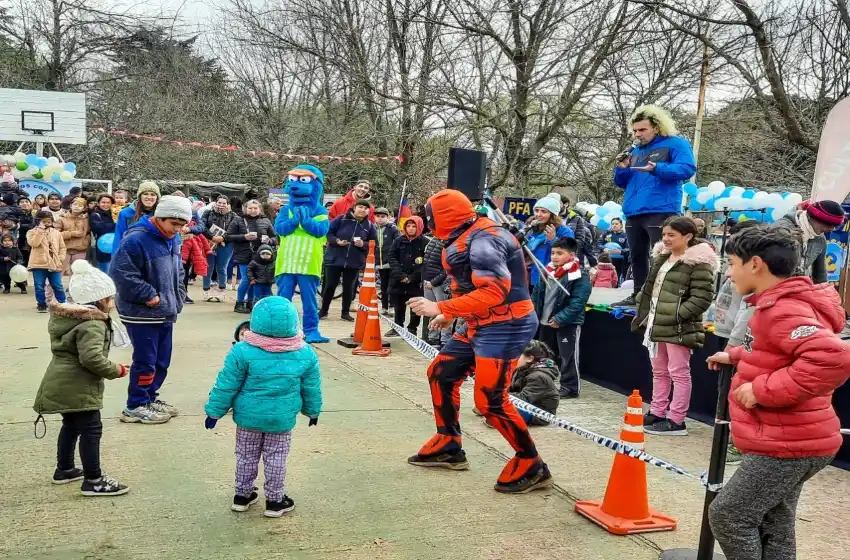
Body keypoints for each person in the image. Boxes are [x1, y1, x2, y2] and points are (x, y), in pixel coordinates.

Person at [706, 224, 850, 560]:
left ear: (755, 264)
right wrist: (738, 355)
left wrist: (762, 389)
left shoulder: (783, 308)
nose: (728, 272)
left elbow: (833, 356)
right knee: (775, 520)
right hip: (796, 439)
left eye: (731, 263)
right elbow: (777, 351)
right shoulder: (776, 304)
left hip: (789, 443)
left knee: (729, 515)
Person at [406, 189, 552, 494]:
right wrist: (453, 313)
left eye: (431, 215)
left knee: (491, 401)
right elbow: (470, 284)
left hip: (505, 325)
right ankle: (448, 442)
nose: (428, 222)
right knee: (441, 372)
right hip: (480, 322)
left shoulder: (485, 238)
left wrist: (441, 307)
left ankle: (531, 462)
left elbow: (494, 291)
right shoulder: (469, 234)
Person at [204, 296, 322, 517]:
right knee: (276, 458)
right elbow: (311, 388)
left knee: (245, 456)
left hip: (248, 419)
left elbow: (226, 385)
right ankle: (275, 501)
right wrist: (312, 411)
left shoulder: (242, 351)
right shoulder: (305, 353)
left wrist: (214, 412)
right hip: (281, 420)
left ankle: (242, 496)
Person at [32, 260, 130, 496]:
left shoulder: (71, 318)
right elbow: (92, 359)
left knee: (71, 426)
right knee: (91, 429)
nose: (112, 303)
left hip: (63, 381)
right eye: (110, 298)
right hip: (78, 385)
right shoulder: (92, 324)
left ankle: (64, 469)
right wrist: (116, 369)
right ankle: (94, 480)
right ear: (99, 299)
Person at [632, 216, 718, 436]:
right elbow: (650, 286)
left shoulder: (698, 262)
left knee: (679, 372)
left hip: (679, 326)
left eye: (672, 235)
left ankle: (677, 419)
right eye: (664, 235)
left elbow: (703, 297)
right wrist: (642, 303)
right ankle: (658, 410)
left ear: (688, 236)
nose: (666, 239)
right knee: (659, 370)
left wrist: (677, 315)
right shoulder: (662, 257)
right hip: (655, 322)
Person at [110, 195, 190, 424]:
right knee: (146, 360)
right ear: (160, 217)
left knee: (162, 360)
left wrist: (178, 295)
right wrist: (149, 295)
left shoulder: (173, 239)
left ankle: (149, 397)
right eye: (174, 224)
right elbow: (121, 274)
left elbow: (179, 271)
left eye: (182, 225)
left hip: (166, 309)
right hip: (141, 312)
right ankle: (135, 405)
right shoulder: (136, 239)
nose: (177, 230)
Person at [613, 106, 697, 307]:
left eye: (642, 130)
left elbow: (687, 168)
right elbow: (621, 182)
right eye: (635, 131)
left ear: (657, 128)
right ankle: (638, 295)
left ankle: (663, 298)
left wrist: (658, 168)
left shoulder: (676, 143)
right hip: (634, 210)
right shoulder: (634, 151)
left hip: (661, 208)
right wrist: (621, 168)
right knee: (637, 256)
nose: (637, 134)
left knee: (663, 255)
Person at [274, 164, 332, 343]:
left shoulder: (320, 211)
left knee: (309, 299)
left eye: (303, 180)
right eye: (292, 180)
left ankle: (311, 330)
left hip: (309, 262)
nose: (295, 185)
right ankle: (280, 329)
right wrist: (293, 221)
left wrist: (306, 221)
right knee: (283, 300)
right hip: (287, 261)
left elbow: (321, 230)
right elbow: (280, 229)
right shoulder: (286, 210)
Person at [532, 237, 592, 399]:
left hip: (567, 323)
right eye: (552, 253)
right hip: (545, 321)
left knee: (568, 356)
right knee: (545, 355)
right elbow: (537, 294)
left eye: (560, 253)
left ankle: (570, 386)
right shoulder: (548, 271)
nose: (554, 256)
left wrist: (560, 318)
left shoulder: (579, 275)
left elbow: (578, 301)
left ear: (571, 255)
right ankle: (543, 383)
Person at [320, 199, 377, 321]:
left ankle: (345, 312)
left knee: (349, 287)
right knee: (330, 286)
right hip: (334, 258)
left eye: (366, 208)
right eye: (360, 207)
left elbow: (374, 243)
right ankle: (323, 310)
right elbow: (329, 233)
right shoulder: (341, 219)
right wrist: (336, 241)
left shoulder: (370, 226)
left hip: (354, 261)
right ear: (354, 207)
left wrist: (363, 244)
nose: (363, 210)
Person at [775, 199, 845, 284]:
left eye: (834, 226)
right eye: (828, 224)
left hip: (800, 288)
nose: (831, 229)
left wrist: (824, 293)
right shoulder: (781, 231)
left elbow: (820, 274)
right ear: (811, 216)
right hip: (775, 287)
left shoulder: (820, 239)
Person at [228, 199, 275, 313]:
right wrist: (244, 237)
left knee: (256, 279)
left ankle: (251, 302)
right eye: (250, 208)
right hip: (243, 253)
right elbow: (228, 236)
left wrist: (268, 241)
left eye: (255, 208)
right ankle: (239, 303)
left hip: (260, 256)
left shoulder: (265, 220)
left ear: (260, 209)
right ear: (246, 209)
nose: (253, 210)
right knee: (247, 279)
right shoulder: (238, 219)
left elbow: (275, 238)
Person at [502, 340, 560, 426]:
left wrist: (498, 396)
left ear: (530, 358)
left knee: (499, 407)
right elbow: (511, 388)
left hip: (538, 414)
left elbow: (523, 399)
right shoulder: (521, 369)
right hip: (526, 405)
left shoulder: (539, 377)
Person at [386, 216, 426, 337]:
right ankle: (397, 327)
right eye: (408, 226)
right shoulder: (399, 241)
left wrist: (412, 277)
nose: (411, 229)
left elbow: (425, 263)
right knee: (398, 306)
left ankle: (412, 329)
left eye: (414, 226)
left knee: (416, 307)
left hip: (415, 282)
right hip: (398, 280)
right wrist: (400, 275)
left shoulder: (425, 242)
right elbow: (392, 257)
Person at [525, 194, 574, 286]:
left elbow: (569, 253)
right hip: (529, 274)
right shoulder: (530, 227)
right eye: (536, 210)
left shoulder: (564, 231)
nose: (538, 215)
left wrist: (553, 240)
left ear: (552, 215)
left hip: (551, 277)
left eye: (543, 211)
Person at [27, 210, 67, 312]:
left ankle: (62, 303)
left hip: (54, 263)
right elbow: (34, 243)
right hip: (39, 264)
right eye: (44, 221)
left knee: (57, 285)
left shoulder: (56, 233)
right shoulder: (31, 232)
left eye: (49, 221)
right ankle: (41, 304)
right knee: (39, 285)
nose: (47, 223)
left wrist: (61, 258)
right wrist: (40, 230)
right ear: (38, 221)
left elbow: (62, 247)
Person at [201, 195, 238, 302]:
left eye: (224, 203)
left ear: (228, 204)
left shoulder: (233, 215)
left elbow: (233, 230)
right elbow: (202, 226)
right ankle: (206, 290)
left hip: (226, 244)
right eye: (219, 203)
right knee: (208, 267)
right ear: (215, 203)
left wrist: (222, 238)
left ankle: (222, 290)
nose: (221, 205)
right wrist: (212, 237)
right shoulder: (208, 213)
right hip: (209, 242)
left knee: (222, 267)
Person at [112, 182, 160, 254]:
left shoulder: (162, 214)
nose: (149, 197)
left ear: (157, 197)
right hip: (132, 256)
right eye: (145, 194)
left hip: (156, 256)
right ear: (140, 196)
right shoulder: (126, 213)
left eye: (153, 194)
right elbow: (118, 238)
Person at [423, 234, 451, 347]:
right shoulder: (434, 238)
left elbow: (447, 268)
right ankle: (432, 338)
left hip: (440, 283)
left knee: (445, 312)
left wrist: (434, 282)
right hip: (428, 282)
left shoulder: (450, 241)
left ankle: (445, 340)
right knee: (432, 311)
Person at [374, 207, 399, 314]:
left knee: (392, 285)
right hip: (379, 263)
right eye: (378, 216)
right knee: (383, 286)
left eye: (383, 217)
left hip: (391, 263)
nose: (380, 219)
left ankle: (392, 306)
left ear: (387, 217)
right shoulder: (373, 229)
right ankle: (384, 306)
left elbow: (398, 242)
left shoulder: (392, 228)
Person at [56, 198, 90, 275]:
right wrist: (72, 234)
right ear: (70, 206)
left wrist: (86, 240)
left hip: (81, 249)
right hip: (64, 249)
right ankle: (51, 287)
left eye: (80, 205)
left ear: (84, 208)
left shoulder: (86, 219)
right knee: (58, 272)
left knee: (78, 274)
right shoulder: (62, 218)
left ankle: (73, 287)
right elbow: (55, 234)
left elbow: (89, 232)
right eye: (75, 204)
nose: (77, 207)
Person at [88, 194, 116, 273]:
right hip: (103, 249)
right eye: (103, 202)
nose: (106, 205)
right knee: (105, 273)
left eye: (108, 203)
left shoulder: (115, 214)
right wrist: (115, 225)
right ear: (99, 203)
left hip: (116, 248)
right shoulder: (95, 215)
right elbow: (99, 228)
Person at [599, 216, 629, 282]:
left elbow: (628, 249)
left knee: (616, 278)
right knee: (605, 278)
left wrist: (620, 251)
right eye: (612, 224)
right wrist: (604, 248)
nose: (614, 225)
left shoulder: (625, 235)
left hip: (620, 261)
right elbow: (599, 244)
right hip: (606, 260)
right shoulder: (606, 233)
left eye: (616, 224)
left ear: (621, 225)